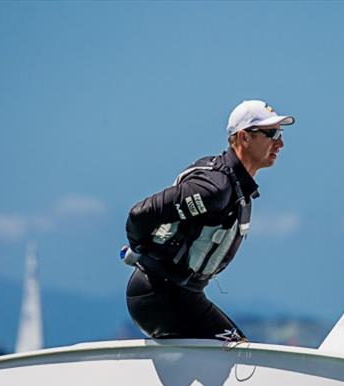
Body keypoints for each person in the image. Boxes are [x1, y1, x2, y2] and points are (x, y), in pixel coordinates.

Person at [122, 100, 295, 340]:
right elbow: (139, 215)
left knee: (241, 350)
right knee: (239, 358)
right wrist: (140, 249)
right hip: (158, 295)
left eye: (281, 133)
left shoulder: (237, 188)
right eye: (272, 133)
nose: (281, 143)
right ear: (244, 138)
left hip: (186, 295)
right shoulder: (215, 189)